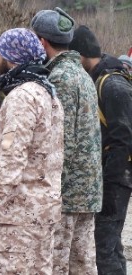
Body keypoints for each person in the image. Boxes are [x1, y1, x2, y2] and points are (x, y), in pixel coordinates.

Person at [0, 28, 64, 274]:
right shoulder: (48, 94)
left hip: (19, 214)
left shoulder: (22, 97)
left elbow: (12, 159)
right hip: (43, 209)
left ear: (11, 57)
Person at [31, 8, 102, 274]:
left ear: (42, 42)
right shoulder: (81, 74)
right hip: (87, 188)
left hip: (66, 191)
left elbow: (59, 139)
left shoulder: (58, 78)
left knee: (56, 263)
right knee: (83, 263)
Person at [69, 25, 132, 275]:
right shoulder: (100, 78)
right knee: (111, 244)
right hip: (111, 177)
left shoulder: (113, 85)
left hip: (117, 179)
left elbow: (123, 139)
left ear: (81, 54)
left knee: (104, 247)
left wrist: (108, 183)